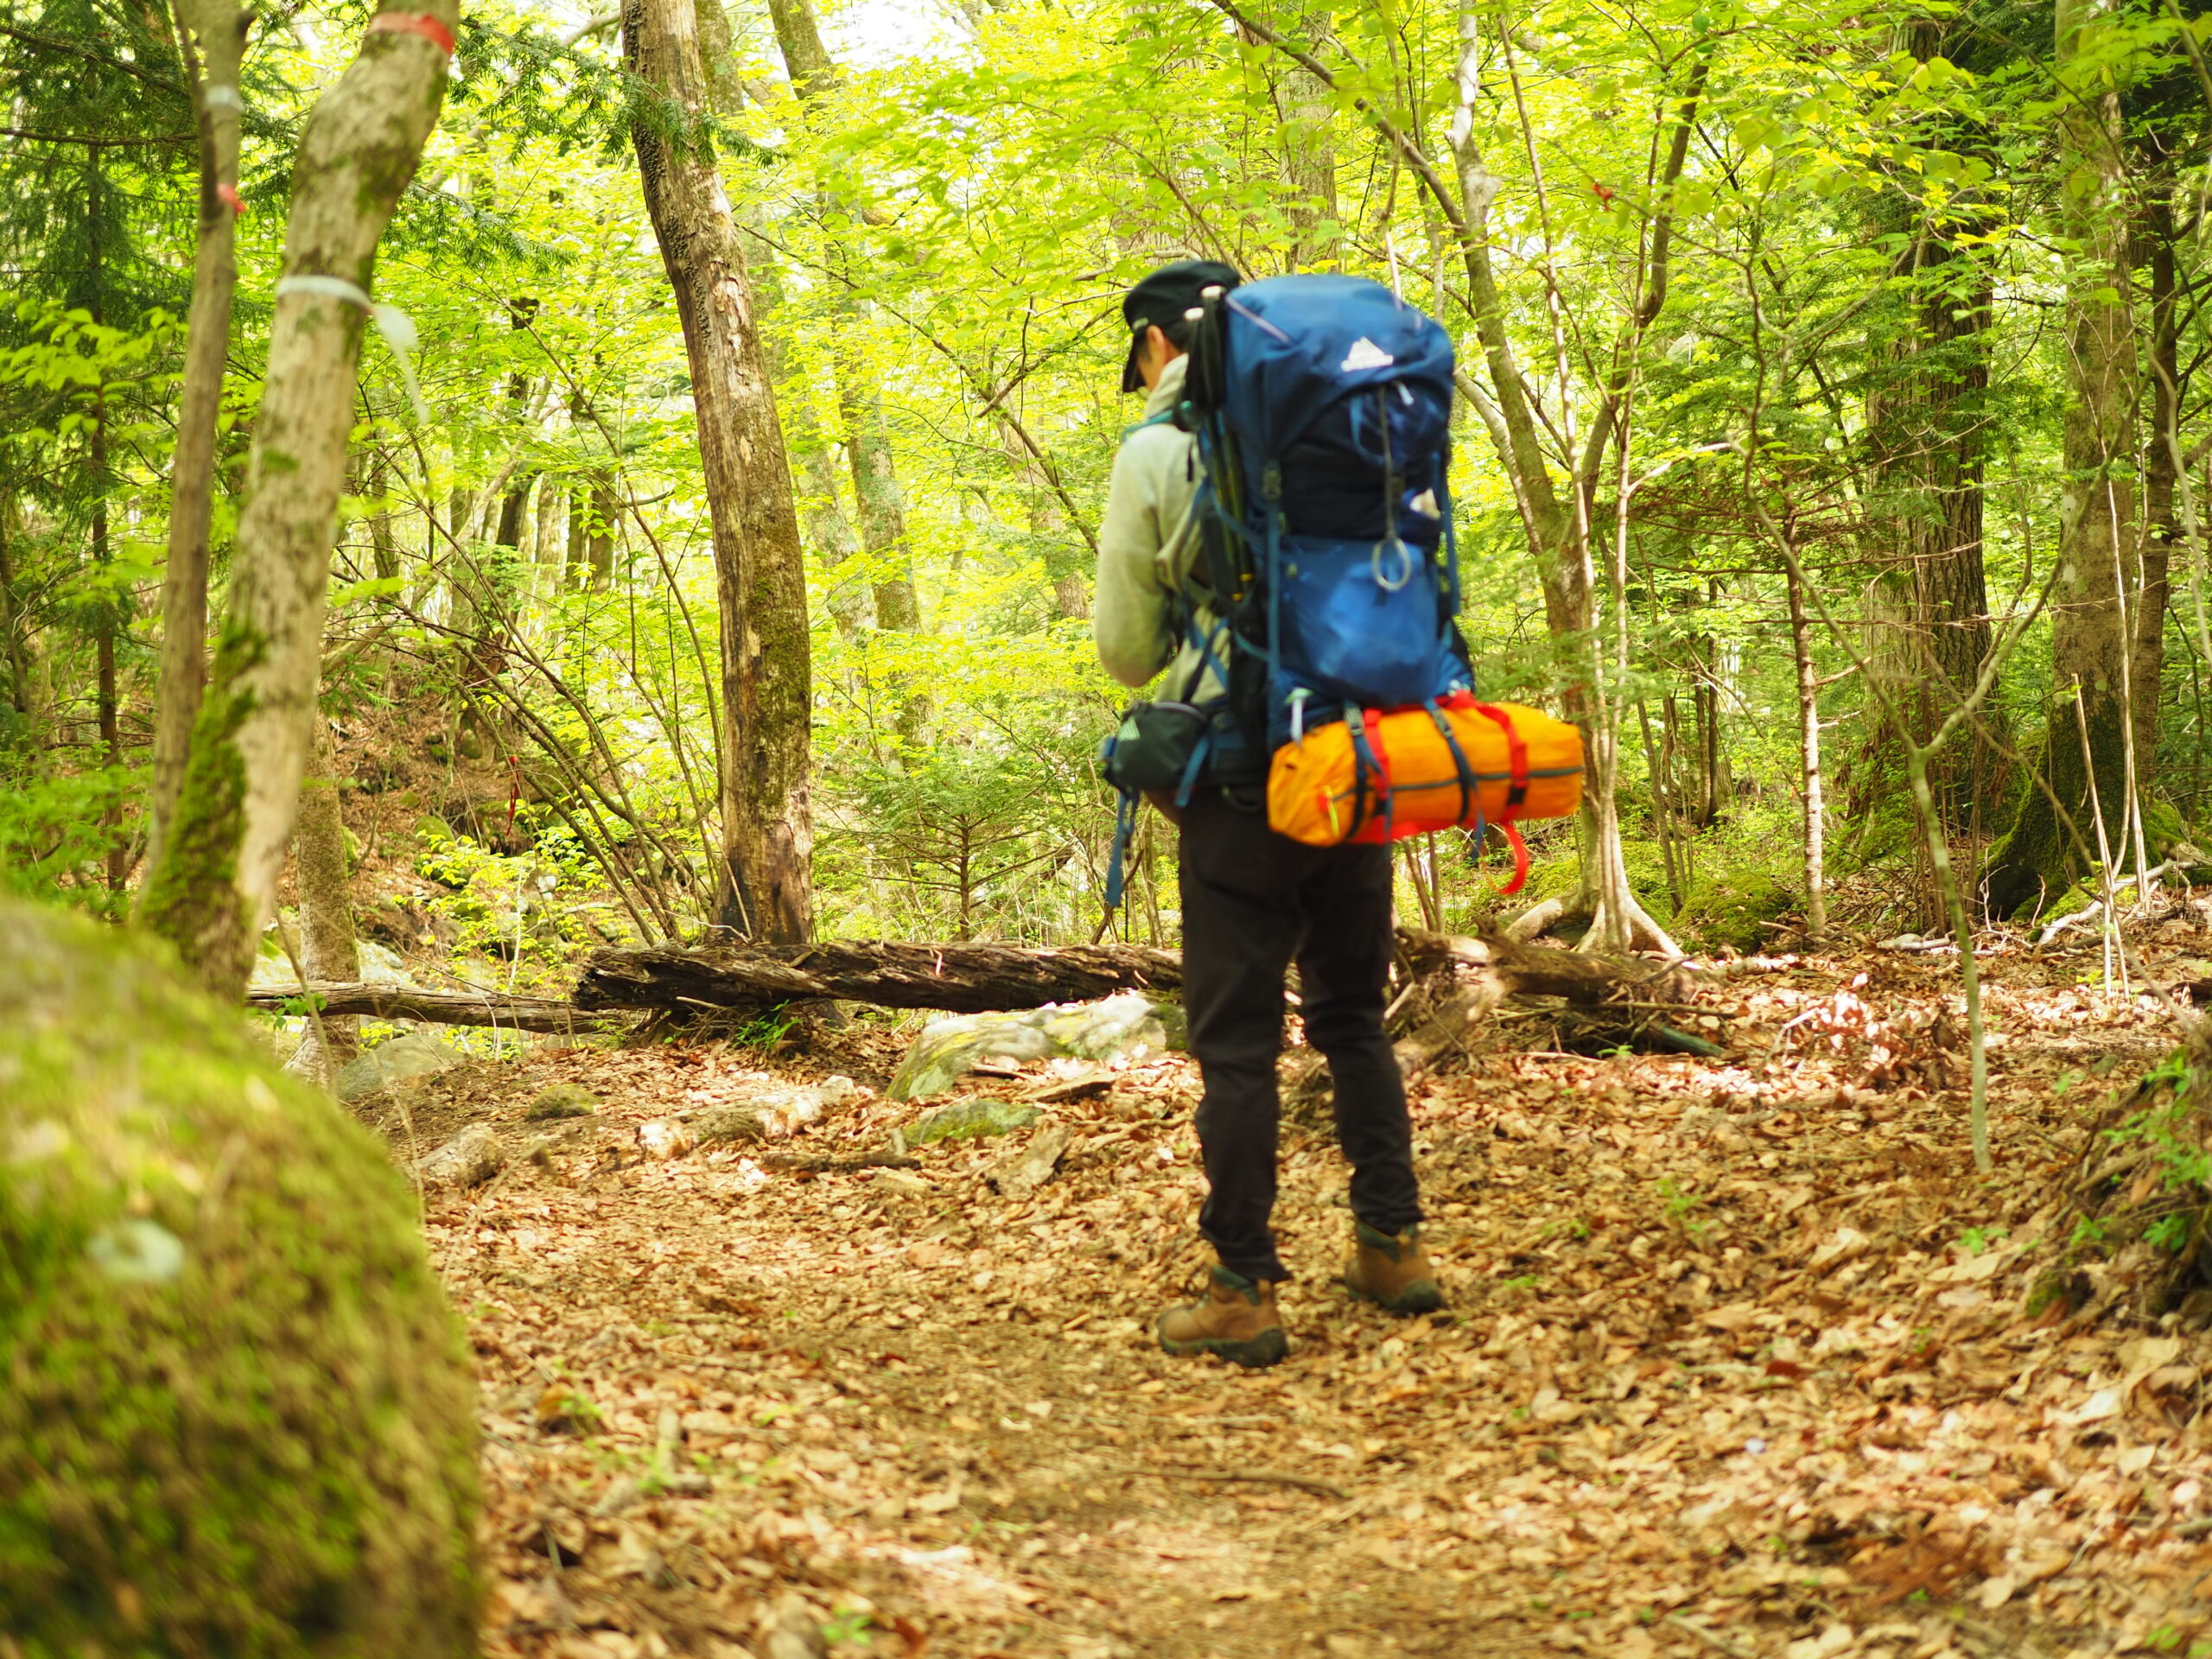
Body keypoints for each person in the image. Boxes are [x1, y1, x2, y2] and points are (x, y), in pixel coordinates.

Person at [1092, 258, 1441, 1370]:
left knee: (1236, 1045)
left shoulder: (1157, 451)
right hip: (1357, 763)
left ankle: (1241, 1288)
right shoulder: (1355, 428)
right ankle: (1393, 1247)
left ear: (1155, 346)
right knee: (1350, 1018)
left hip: (1241, 784)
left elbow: (1127, 653)